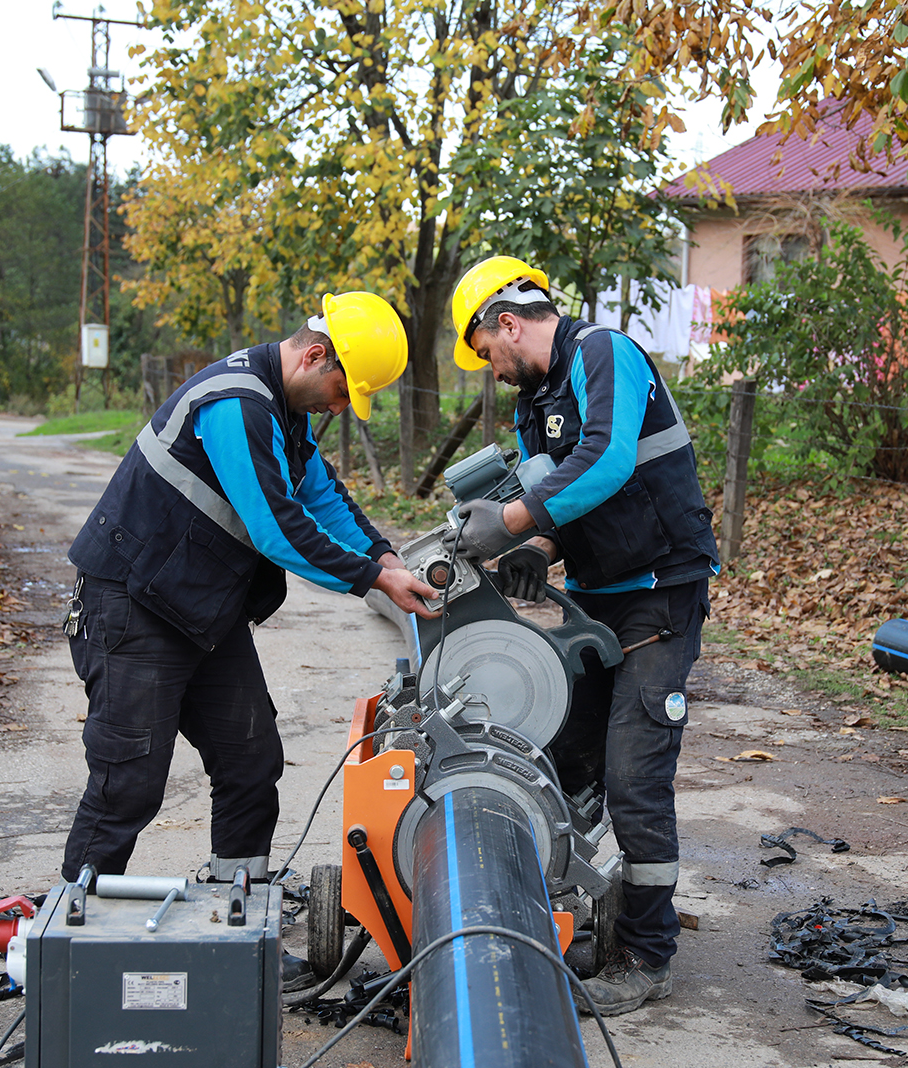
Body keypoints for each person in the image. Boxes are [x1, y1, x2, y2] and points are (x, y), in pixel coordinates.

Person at [59, 292, 439, 985]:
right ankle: (66, 951)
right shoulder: (236, 402)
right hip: (133, 606)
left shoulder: (286, 412)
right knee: (127, 783)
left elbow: (321, 497)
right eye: (341, 392)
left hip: (200, 611)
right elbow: (275, 528)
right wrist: (372, 580)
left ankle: (236, 939)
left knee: (249, 763)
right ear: (315, 356)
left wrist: (385, 557)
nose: (338, 407)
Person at [446, 256, 720, 1015]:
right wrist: (539, 547)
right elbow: (567, 497)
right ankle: (576, 911)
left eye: (485, 352)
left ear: (507, 324)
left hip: (660, 595)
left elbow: (606, 460)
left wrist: (511, 523)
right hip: (601, 599)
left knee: (634, 777)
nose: (491, 369)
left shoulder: (605, 353)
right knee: (568, 764)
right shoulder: (535, 403)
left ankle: (647, 954)